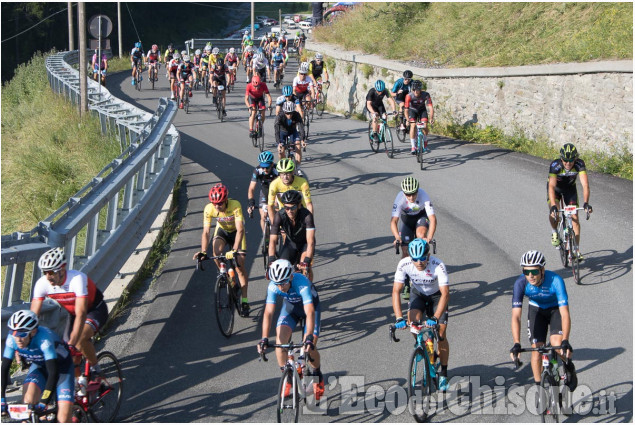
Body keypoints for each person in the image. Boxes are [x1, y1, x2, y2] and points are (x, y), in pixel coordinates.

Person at [31, 248, 108, 377]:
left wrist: (73, 342)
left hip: (95, 310)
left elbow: (81, 313)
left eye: (51, 272)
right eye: (45, 272)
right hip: (73, 315)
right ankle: (78, 386)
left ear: (62, 269)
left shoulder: (77, 279)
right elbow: (33, 316)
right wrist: (28, 339)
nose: (48, 277)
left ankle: (96, 368)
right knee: (68, 353)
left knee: (78, 340)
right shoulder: (42, 283)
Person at [510, 250, 577, 391]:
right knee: (536, 350)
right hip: (536, 310)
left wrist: (566, 340)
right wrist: (516, 343)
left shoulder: (556, 280)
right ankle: (539, 388)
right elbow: (516, 316)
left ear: (542, 270)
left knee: (557, 344)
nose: (530, 276)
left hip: (555, 310)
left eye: (534, 272)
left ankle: (569, 366)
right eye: (526, 272)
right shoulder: (520, 283)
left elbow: (565, 314)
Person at [257, 259, 324, 400]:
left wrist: (309, 337)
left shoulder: (302, 284)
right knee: (280, 343)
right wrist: (263, 338)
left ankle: (317, 373)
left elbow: (310, 312)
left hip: (310, 310)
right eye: (277, 283)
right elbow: (268, 312)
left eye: (283, 283)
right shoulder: (273, 286)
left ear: (291, 277)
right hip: (291, 310)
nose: (280, 287)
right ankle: (287, 377)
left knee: (309, 348)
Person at [392, 239, 450, 391]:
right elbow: (396, 291)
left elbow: (445, 294)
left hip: (437, 296)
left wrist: (435, 318)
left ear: (428, 255)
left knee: (441, 333)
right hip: (418, 294)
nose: (419, 262)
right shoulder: (404, 264)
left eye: (422, 258)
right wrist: (399, 317)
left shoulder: (438, 265)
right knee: (413, 323)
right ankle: (421, 345)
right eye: (415, 259)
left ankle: (443, 373)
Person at [1, 311, 75, 423]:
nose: (18, 339)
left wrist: (43, 402)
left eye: (22, 334)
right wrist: (2, 400)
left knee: (63, 419)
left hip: (62, 370)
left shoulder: (44, 340)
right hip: (39, 366)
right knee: (27, 406)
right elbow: (4, 369)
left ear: (33, 331)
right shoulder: (12, 340)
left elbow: (53, 374)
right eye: (14, 333)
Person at [193, 184, 251, 316]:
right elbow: (206, 232)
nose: (217, 206)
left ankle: (245, 300)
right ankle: (224, 275)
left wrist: (234, 249)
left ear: (225, 200)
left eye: (219, 203)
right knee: (216, 253)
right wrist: (203, 251)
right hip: (223, 231)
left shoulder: (235, 205)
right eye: (214, 203)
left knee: (239, 267)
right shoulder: (209, 209)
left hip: (237, 232)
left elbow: (240, 229)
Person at [548, 143, 592, 259]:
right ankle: (554, 232)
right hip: (556, 189)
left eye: (571, 160)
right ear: (561, 158)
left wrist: (586, 203)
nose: (568, 163)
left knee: (575, 218)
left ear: (575, 158)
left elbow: (585, 185)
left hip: (570, 189)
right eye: (565, 160)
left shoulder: (579, 164)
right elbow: (551, 186)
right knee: (554, 213)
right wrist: (553, 205)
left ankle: (576, 250)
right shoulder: (555, 165)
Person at [269, 190, 316, 281]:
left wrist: (306, 261)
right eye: (286, 208)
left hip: (305, 243)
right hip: (290, 243)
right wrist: (271, 259)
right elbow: (273, 240)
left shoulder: (307, 216)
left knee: (305, 266)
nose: (289, 211)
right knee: (282, 267)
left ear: (299, 205)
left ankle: (309, 288)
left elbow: (311, 242)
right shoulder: (279, 215)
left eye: (293, 207)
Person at [247, 151, 279, 233]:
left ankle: (277, 230)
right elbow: (251, 188)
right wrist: (251, 203)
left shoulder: (276, 170)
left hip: (276, 191)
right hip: (265, 191)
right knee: (263, 216)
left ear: (272, 164)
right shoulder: (257, 170)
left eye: (267, 167)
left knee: (276, 209)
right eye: (263, 167)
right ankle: (266, 237)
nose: (265, 169)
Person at [404, 80, 434, 155]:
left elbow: (430, 107)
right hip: (412, 110)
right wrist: (407, 120)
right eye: (415, 91)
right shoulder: (409, 96)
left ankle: (425, 140)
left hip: (422, 110)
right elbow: (406, 110)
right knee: (413, 126)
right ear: (413, 90)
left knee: (425, 126)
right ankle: (413, 146)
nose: (417, 92)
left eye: (419, 90)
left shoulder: (426, 94)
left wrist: (431, 118)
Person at [275, 101, 306, 170]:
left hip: (292, 131)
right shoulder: (280, 116)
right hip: (282, 132)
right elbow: (276, 129)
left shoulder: (296, 115)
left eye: (291, 113)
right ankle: (283, 165)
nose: (289, 115)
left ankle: (298, 167)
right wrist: (278, 142)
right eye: (287, 113)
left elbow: (301, 127)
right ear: (284, 111)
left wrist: (302, 139)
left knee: (298, 145)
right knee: (281, 150)